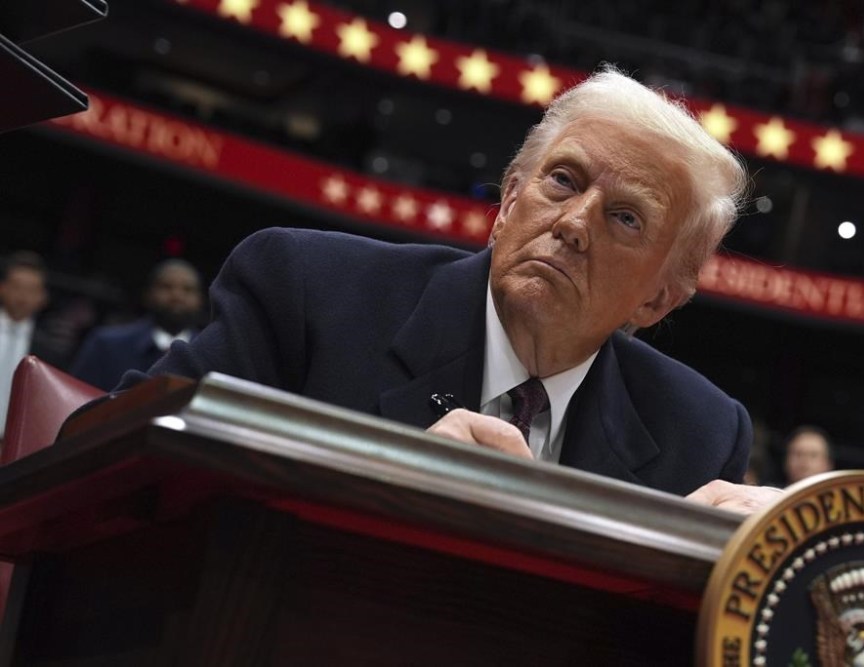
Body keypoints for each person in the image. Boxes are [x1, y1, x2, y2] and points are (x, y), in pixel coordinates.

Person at [111, 67, 780, 513]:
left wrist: (733, 574)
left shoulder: (699, 431)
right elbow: (108, 451)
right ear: (508, 201)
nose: (574, 225)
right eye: (564, 182)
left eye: (625, 217)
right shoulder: (307, 290)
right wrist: (379, 477)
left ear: (658, 298)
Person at [71, 259, 203, 391]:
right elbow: (77, 398)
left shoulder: (209, 356)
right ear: (148, 295)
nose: (177, 296)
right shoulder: (106, 345)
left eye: (188, 290)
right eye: (166, 287)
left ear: (201, 300)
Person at [0, 252, 54, 435]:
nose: (22, 296)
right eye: (17, 287)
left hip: (15, 445)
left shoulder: (49, 350)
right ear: (3, 288)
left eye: (31, 290)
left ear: (42, 297)